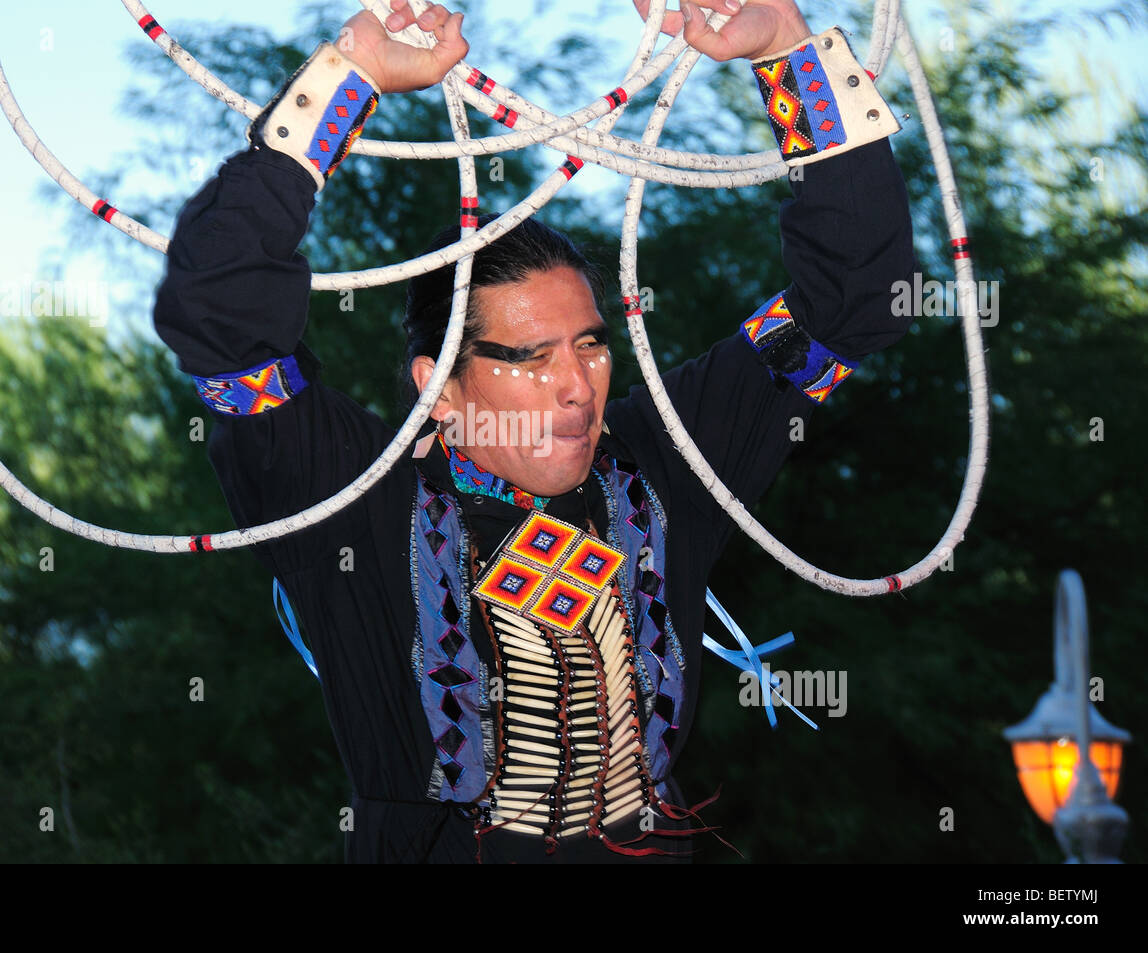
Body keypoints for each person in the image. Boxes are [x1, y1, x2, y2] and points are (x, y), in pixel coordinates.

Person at [153, 0, 915, 863]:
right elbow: (217, 316)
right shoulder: (350, 497)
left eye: (590, 347)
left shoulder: (665, 458)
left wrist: (785, 46)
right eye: (526, 357)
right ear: (437, 386)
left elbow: (853, 304)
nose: (573, 388)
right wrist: (349, 75)